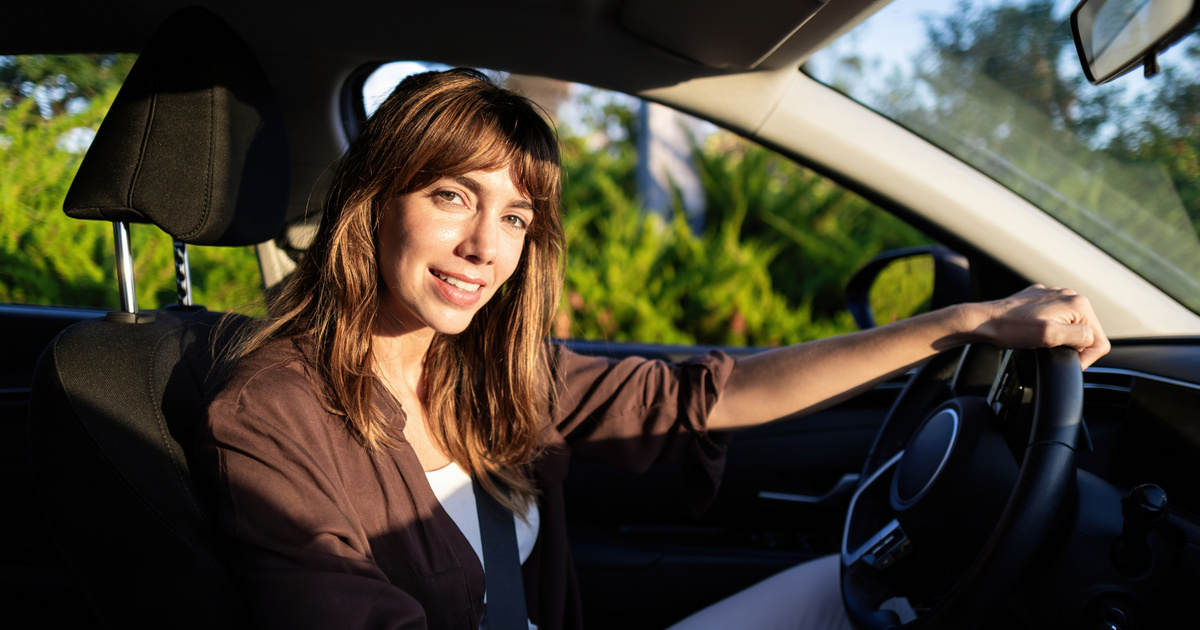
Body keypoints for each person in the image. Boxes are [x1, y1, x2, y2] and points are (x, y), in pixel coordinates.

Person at [198, 68, 1109, 630]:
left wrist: (962, 324)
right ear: (376, 200)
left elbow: (708, 398)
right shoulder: (274, 410)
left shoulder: (488, 370)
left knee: (838, 594)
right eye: (451, 196)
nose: (487, 247)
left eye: (515, 216)